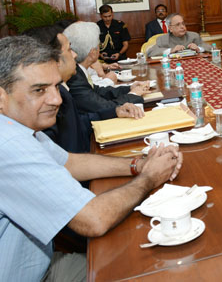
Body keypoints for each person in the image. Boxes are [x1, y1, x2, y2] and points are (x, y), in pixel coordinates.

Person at [0, 35, 182, 281]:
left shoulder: (17, 126)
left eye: (55, 86)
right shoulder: (9, 143)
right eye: (39, 90)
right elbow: (93, 219)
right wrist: (149, 177)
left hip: (40, 266)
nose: (56, 99)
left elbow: (70, 162)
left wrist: (138, 164)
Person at [24, 24, 144, 153]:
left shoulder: (62, 89)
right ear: (52, 60)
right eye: (69, 50)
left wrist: (116, 111)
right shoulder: (51, 98)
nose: (75, 55)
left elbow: (76, 124)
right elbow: (67, 157)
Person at [64, 22, 149, 114]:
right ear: (93, 53)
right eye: (98, 45)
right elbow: (103, 108)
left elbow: (99, 91)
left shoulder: (79, 71)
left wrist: (130, 88)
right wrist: (134, 94)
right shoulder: (74, 77)